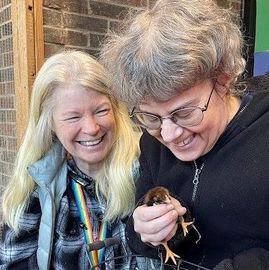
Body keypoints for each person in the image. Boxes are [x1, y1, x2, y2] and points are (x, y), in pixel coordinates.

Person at [100, 0, 269, 269]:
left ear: (223, 79)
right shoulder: (151, 144)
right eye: (151, 117)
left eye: (184, 113)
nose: (168, 135)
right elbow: (137, 233)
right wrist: (148, 229)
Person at [0, 50, 149, 270]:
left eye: (101, 111)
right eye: (73, 117)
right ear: (49, 123)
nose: (91, 128)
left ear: (116, 110)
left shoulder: (148, 170)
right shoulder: (35, 187)